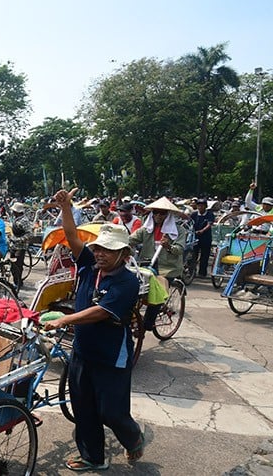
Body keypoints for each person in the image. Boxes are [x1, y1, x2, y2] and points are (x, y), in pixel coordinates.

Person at [44, 188, 145, 471]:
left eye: (109, 250)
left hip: (111, 354)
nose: (100, 253)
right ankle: (93, 458)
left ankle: (133, 437)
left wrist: (64, 320)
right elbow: (73, 236)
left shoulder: (128, 282)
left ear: (123, 254)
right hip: (83, 350)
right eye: (99, 248)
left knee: (111, 412)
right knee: (83, 407)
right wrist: (66, 207)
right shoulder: (89, 265)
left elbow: (101, 312)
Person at [129, 196, 186, 329]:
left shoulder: (179, 231)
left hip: (167, 267)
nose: (158, 216)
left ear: (168, 215)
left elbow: (180, 250)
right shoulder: (146, 229)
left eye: (162, 213)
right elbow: (131, 239)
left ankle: (148, 323)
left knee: (157, 290)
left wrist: (168, 247)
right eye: (155, 212)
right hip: (147, 264)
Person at [8, 202, 33, 291]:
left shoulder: (24, 221)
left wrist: (18, 240)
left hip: (20, 247)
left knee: (18, 266)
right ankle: (16, 281)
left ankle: (18, 283)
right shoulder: (16, 219)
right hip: (13, 246)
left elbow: (30, 234)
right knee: (12, 266)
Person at [190, 197, 215, 278]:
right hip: (195, 237)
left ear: (205, 206)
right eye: (199, 205)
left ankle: (202, 273)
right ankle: (192, 272)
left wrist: (203, 230)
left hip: (206, 238)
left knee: (204, 256)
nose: (200, 207)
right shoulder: (194, 214)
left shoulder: (209, 214)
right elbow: (189, 222)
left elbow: (209, 224)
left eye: (202, 205)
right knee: (193, 255)